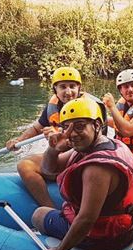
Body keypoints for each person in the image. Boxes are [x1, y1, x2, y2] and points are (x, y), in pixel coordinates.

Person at [31, 97, 133, 250]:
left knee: (38, 214)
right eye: (66, 128)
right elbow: (48, 171)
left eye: (79, 126)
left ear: (97, 125)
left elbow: (86, 220)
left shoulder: (97, 169)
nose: (73, 134)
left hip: (108, 237)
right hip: (123, 225)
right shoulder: (103, 144)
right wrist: (53, 150)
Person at [9, 66, 105, 208]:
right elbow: (37, 127)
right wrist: (18, 141)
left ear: (79, 88)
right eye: (63, 87)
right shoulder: (53, 106)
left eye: (72, 86)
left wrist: (60, 133)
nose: (68, 92)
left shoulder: (92, 106)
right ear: (56, 90)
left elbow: (97, 138)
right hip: (62, 154)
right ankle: (49, 209)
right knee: (24, 165)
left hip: (85, 154)